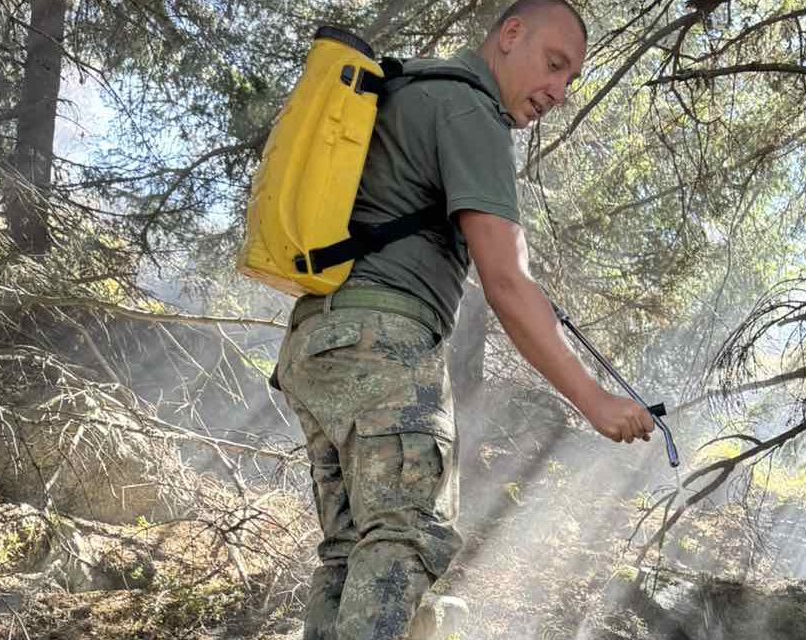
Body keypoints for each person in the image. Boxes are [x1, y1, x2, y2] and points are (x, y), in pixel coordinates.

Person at [273, 1, 656, 638]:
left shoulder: (410, 89)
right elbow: (507, 280)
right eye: (553, 64)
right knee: (403, 539)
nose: (557, 91)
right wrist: (594, 400)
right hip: (383, 345)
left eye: (570, 80)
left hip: (317, 342)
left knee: (350, 554)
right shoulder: (469, 109)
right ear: (510, 34)